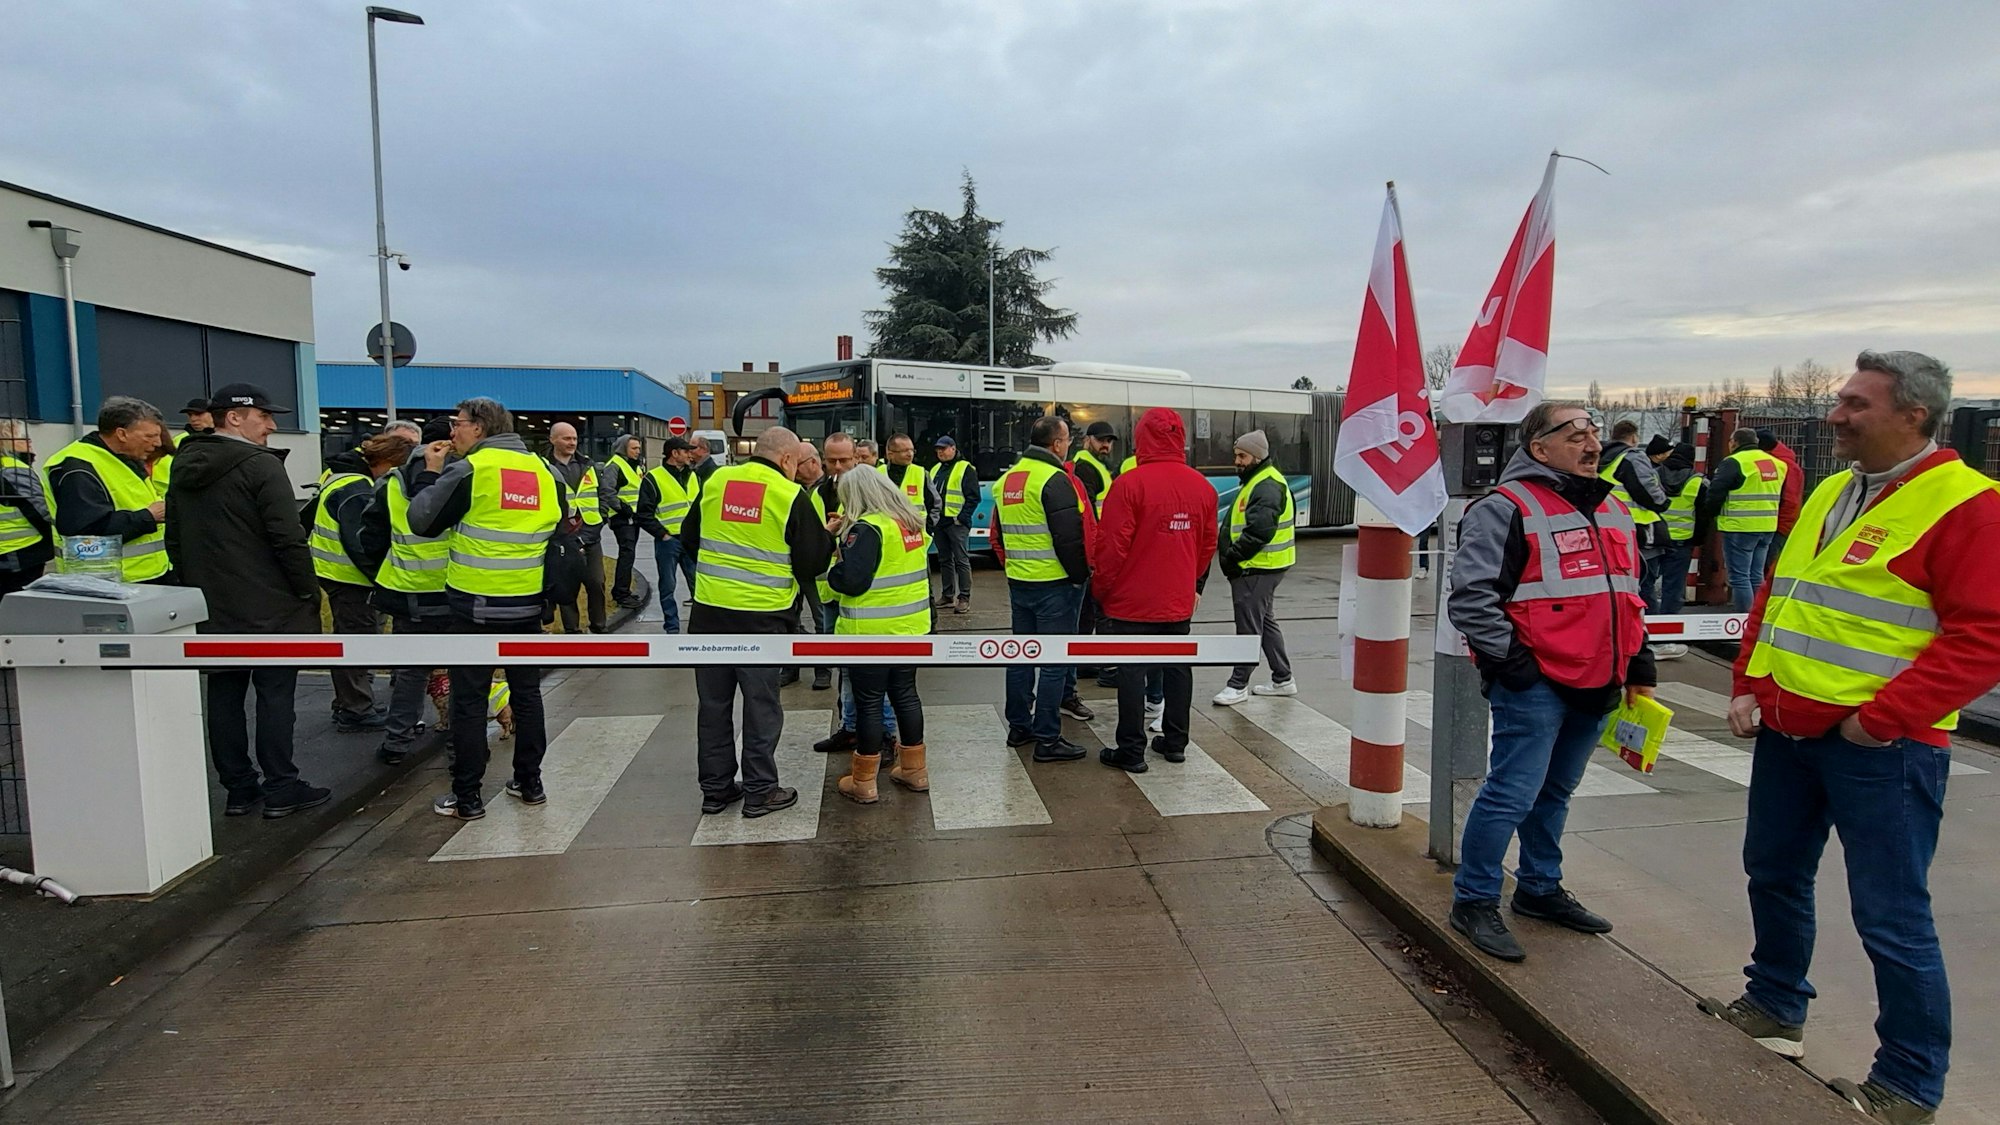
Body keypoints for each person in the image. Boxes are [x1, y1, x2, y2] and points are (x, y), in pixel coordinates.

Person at [1705, 351, 2000, 1124]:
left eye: (1855, 404)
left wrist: (1878, 720)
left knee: (1891, 915)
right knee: (1773, 872)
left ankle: (1908, 1083)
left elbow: (1983, 637)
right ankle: (1774, 1007)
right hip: (1788, 729)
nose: (1835, 415)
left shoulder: (1969, 505)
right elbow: (1779, 592)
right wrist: (1748, 682)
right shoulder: (1836, 488)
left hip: (1883, 749)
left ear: (1914, 414)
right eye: (1840, 400)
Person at [1444, 400, 1655, 963]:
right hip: (1536, 684)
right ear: (1539, 448)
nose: (1593, 444)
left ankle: (1539, 888)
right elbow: (1471, 600)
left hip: (1600, 680)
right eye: (1575, 434)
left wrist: (1640, 665)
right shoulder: (1504, 508)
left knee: (1556, 792)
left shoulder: (1614, 506)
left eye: (1594, 433)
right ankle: (1474, 900)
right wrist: (1517, 669)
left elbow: (1628, 595)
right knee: (1510, 794)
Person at [163, 383, 329, 819]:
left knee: (224, 693)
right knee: (275, 695)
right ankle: (281, 786)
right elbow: (287, 537)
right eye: (264, 416)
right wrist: (307, 591)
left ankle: (238, 788)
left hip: (213, 602)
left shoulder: (183, 463)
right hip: (270, 603)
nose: (271, 425)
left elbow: (174, 536)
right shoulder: (260, 465)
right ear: (234, 417)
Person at [407, 397, 568, 821]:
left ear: (478, 427)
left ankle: (468, 796)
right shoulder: (544, 470)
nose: (452, 431)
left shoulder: (471, 469)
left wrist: (429, 473)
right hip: (526, 603)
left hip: (473, 606)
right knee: (527, 695)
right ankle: (530, 783)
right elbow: (560, 524)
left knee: (469, 699)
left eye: (457, 423)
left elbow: (422, 521)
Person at [679, 427, 832, 817]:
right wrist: (826, 536)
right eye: (797, 463)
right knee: (761, 706)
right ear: (786, 459)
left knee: (713, 706)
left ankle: (715, 790)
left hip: (709, 614)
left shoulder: (718, 481)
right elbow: (812, 564)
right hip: (762, 620)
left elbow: (689, 536)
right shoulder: (788, 494)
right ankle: (761, 791)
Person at [1091, 408, 1216, 772]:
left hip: (1131, 601)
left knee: (1132, 673)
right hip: (1177, 600)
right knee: (1178, 668)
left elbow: (1111, 548)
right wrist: (1188, 582)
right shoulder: (1203, 487)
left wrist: (1102, 590)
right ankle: (1175, 743)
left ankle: (1131, 750)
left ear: (1141, 439)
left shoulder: (1129, 484)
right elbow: (1207, 545)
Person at [349, 418, 452, 766]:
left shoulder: (392, 483)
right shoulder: (462, 478)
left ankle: (397, 742)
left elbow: (370, 538)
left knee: (411, 671)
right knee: (463, 671)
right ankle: (461, 743)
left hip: (408, 593)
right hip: (456, 591)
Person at [827, 466, 931, 803]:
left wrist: (834, 566)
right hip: (910, 628)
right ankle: (915, 771)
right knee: (906, 695)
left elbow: (852, 581)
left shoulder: (867, 528)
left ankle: (864, 781)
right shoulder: (910, 524)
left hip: (871, 632)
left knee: (869, 703)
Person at [993, 415, 1094, 762]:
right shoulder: (1054, 478)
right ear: (1057, 444)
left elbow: (1001, 533)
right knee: (1054, 661)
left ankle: (1019, 727)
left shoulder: (1008, 479)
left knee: (1021, 656)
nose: (1068, 446)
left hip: (1020, 581)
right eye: (1067, 440)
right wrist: (1080, 575)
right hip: (1054, 584)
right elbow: (1069, 538)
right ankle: (1048, 739)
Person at [812, 433, 901, 752]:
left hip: (868, 600)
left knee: (876, 676)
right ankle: (850, 726)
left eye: (844, 460)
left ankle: (884, 735)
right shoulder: (819, 492)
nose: (837, 466)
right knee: (847, 669)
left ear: (858, 458)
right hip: (832, 592)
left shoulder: (873, 489)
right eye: (831, 460)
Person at [44, 396, 169, 583]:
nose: (158, 443)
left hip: (142, 575)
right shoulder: (78, 467)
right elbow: (85, 531)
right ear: (121, 434)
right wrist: (149, 516)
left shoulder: (122, 458)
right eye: (150, 436)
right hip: (107, 581)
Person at [1213, 430, 1296, 705]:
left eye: (1242, 456)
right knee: (1265, 622)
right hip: (1263, 566)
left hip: (1256, 567)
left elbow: (1259, 532)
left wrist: (1233, 557)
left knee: (1248, 628)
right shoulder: (1261, 480)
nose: (1237, 461)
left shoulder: (1265, 484)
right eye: (1236, 455)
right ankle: (1282, 678)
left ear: (1257, 457)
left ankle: (1238, 685)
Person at [310, 447, 384, 732]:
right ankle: (356, 708)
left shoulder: (340, 478)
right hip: (350, 577)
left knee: (349, 637)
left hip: (335, 573)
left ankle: (349, 702)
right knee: (356, 641)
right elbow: (360, 543)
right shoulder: (358, 489)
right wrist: (381, 579)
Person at [1707, 427, 1788, 613]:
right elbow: (1782, 495)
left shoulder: (1734, 462)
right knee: (1756, 575)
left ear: (1734, 443)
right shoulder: (1778, 464)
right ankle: (1757, 618)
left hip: (1739, 526)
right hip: (1767, 526)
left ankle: (1745, 620)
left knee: (1739, 577)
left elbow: (1716, 492)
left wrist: (1711, 513)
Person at [543, 421, 608, 634]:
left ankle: (599, 627)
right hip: (563, 537)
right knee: (567, 586)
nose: (572, 442)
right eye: (566, 438)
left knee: (596, 583)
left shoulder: (588, 465)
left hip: (590, 534)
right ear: (553, 439)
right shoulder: (544, 467)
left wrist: (601, 518)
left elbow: (603, 495)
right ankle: (572, 631)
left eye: (574, 438)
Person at [1599, 420, 1670, 613]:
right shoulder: (1632, 457)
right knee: (1645, 586)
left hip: (1608, 528)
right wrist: (1663, 502)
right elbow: (1649, 493)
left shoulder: (1601, 457)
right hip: (1640, 530)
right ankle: (1649, 628)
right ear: (1633, 437)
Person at [637, 436, 702, 633]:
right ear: (674, 453)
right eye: (686, 451)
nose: (690, 455)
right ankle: (672, 628)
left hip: (691, 541)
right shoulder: (653, 478)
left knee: (699, 587)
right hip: (668, 541)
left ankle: (700, 628)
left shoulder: (693, 476)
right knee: (667, 587)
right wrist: (663, 535)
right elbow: (643, 514)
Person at [1652, 441, 1709, 653]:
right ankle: (1665, 636)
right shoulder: (1698, 481)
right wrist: (1698, 539)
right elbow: (1703, 516)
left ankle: (1647, 626)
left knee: (1646, 585)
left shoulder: (1654, 475)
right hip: (1682, 541)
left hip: (1654, 538)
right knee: (1673, 588)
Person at [0, 422, 53, 597]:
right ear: (6, 442)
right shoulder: (14, 470)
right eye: (23, 438)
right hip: (21, 553)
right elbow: (40, 511)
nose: (29, 441)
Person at [932, 435, 978, 613]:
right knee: (944, 560)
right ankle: (947, 595)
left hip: (956, 523)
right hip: (940, 522)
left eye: (943, 449)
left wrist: (962, 517)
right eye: (938, 449)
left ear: (953, 448)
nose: (940, 452)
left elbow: (973, 497)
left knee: (961, 560)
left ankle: (964, 598)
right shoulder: (935, 469)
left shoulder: (965, 468)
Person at [603, 433, 646, 608]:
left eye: (639, 448)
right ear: (623, 449)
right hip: (621, 517)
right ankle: (621, 594)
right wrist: (623, 508)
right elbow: (607, 492)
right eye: (634, 448)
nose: (638, 451)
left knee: (629, 554)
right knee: (627, 554)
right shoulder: (614, 466)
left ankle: (623, 591)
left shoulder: (634, 466)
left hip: (632, 517)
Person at [150, 397, 215, 500]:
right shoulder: (181, 441)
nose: (193, 419)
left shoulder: (225, 439)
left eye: (198, 414)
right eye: (190, 415)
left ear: (213, 414)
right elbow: (161, 477)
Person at [1757, 427, 1806, 563]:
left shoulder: (1783, 465)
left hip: (1777, 527)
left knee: (1764, 566)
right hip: (1774, 525)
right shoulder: (1783, 462)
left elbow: (1790, 501)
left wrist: (1779, 528)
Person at [1071, 421, 1119, 517]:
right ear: (1087, 440)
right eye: (1100, 440)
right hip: (1097, 524)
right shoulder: (1084, 467)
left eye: (1109, 441)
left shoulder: (1101, 464)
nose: (1105, 445)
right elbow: (1087, 506)